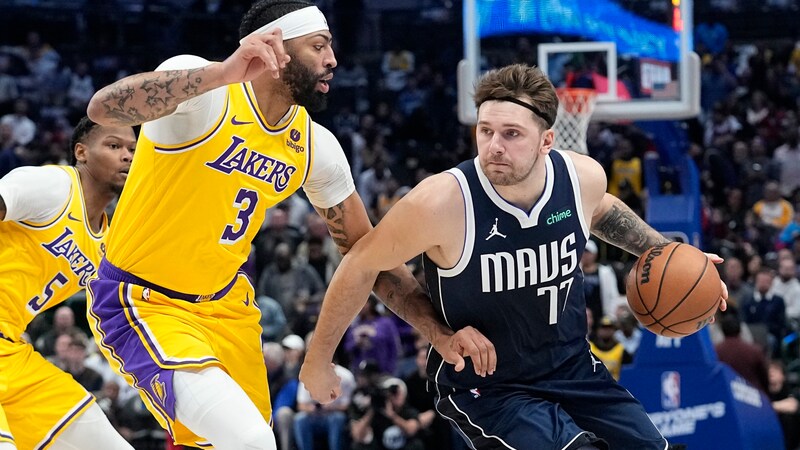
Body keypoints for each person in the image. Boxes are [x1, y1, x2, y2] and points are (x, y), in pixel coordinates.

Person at [83, 1, 471, 448]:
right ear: (275, 50)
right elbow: (103, 110)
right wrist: (225, 72)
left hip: (228, 308)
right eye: (318, 46)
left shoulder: (314, 146)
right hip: (144, 300)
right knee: (253, 442)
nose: (332, 60)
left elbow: (370, 256)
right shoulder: (204, 91)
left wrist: (436, 332)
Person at [301, 64, 728, 449]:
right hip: (488, 386)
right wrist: (322, 359)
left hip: (571, 365)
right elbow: (362, 263)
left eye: (511, 134)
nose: (494, 146)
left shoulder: (581, 177)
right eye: (485, 131)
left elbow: (600, 210)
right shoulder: (441, 202)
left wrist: (670, 253)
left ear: (546, 140)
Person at [0, 116, 136, 449]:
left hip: (10, 352)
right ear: (82, 152)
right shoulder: (54, 186)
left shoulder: (108, 242)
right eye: (114, 145)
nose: (127, 156)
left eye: (133, 149)